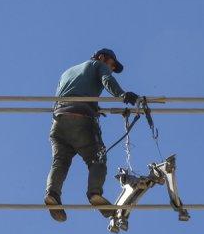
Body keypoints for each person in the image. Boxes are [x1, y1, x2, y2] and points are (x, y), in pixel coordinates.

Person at [44, 48, 139, 223]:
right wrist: (122, 95)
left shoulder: (67, 72)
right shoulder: (97, 65)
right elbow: (107, 80)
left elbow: (68, 93)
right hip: (80, 118)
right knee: (98, 157)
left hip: (58, 122)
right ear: (101, 57)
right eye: (110, 64)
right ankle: (95, 193)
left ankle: (52, 193)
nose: (110, 69)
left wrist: (94, 107)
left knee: (61, 161)